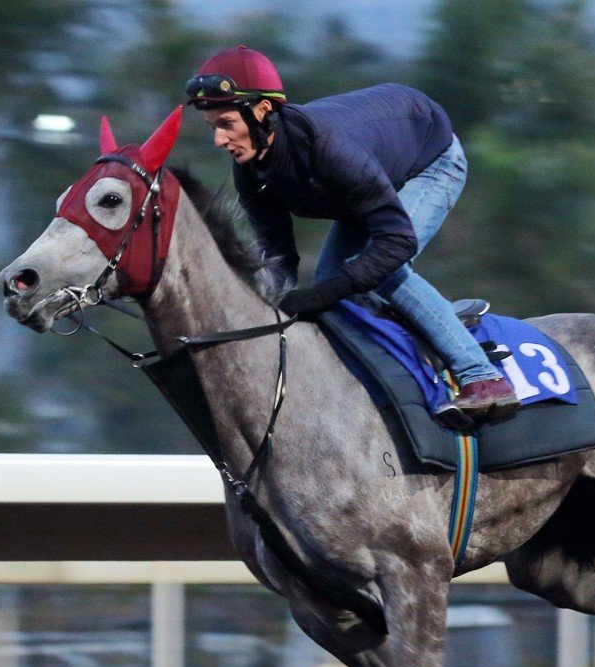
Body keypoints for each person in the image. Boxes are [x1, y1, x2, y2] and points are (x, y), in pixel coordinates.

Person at [185, 45, 519, 426]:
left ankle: (482, 377)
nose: (219, 141)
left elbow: (398, 242)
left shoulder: (328, 149)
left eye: (226, 124)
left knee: (382, 272)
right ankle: (421, 331)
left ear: (261, 111)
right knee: (336, 283)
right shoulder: (249, 171)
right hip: (372, 174)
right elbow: (277, 255)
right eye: (213, 128)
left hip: (429, 161)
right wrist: (264, 309)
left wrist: (324, 293)